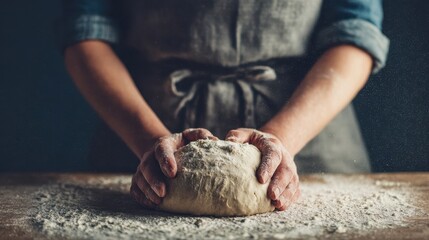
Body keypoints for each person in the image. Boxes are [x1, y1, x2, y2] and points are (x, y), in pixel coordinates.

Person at [60, 0, 389, 211]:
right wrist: (147, 140)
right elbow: (87, 30)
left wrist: (281, 138)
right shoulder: (144, 142)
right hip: (141, 130)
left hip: (307, 129)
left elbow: (355, 32)